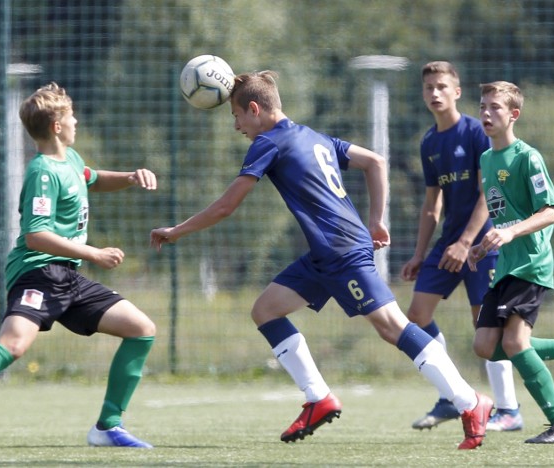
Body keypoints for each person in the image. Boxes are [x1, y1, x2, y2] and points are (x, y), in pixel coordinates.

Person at [151, 70, 493, 450]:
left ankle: (469, 401)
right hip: (324, 253)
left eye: (236, 116)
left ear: (254, 108)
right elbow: (376, 162)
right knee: (266, 310)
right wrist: (377, 219)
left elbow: (227, 206)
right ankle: (318, 398)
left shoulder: (268, 142)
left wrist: (177, 230)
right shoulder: (314, 136)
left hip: (341, 250)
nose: (236, 127)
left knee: (393, 327)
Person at [0, 82, 158, 450]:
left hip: (68, 277)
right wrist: (94, 253)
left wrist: (129, 177)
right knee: (13, 345)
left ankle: (107, 426)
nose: (76, 120)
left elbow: (91, 178)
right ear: (57, 126)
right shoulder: (42, 172)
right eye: (71, 115)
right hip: (38, 273)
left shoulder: (71, 161)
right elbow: (35, 236)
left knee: (141, 329)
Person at [468, 81, 554, 444]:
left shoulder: (528, 157)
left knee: (514, 343)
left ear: (514, 114)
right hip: (505, 264)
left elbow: (551, 212)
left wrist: (510, 234)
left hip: (530, 262)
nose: (486, 114)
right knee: (485, 346)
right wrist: (483, 244)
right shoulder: (486, 159)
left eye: (494, 107)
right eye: (482, 107)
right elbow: (501, 213)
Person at [402, 61, 522, 432]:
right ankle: (453, 395)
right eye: (428, 88)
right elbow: (431, 205)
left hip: (483, 242)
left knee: (484, 325)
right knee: (417, 315)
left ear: (456, 91)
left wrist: (468, 242)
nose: (434, 93)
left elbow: (489, 193)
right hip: (448, 243)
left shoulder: (474, 131)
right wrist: (420, 254)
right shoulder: (429, 142)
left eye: (441, 86)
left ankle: (508, 410)